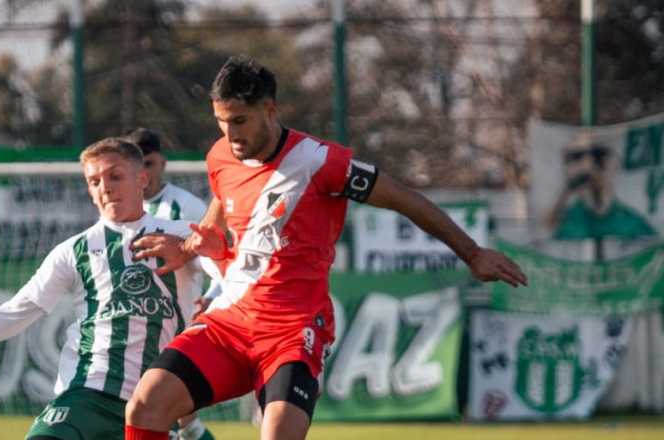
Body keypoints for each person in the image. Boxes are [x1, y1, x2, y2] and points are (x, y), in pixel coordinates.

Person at [123, 55, 529, 440]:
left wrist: (472, 253)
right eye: (221, 121)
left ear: (270, 109)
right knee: (145, 405)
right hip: (230, 322)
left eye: (239, 120)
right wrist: (193, 245)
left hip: (291, 330)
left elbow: (404, 198)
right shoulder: (221, 156)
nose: (230, 134)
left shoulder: (321, 162)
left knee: (278, 432)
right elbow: (221, 202)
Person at [0, 138, 215, 440]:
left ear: (142, 180)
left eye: (115, 176)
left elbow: (234, 275)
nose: (105, 188)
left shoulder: (181, 236)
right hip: (87, 394)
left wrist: (209, 294)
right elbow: (16, 312)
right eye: (94, 181)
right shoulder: (74, 251)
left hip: (156, 404)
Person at [125, 127, 216, 440]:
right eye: (137, 166)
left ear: (162, 163)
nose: (144, 173)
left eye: (148, 164)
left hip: (177, 323)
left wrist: (214, 296)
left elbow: (217, 255)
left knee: (170, 418)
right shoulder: (120, 209)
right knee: (168, 420)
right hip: (135, 325)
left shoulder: (186, 206)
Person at [126, 127, 208, 222]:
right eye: (135, 166)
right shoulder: (116, 209)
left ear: (162, 164)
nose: (142, 173)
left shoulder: (188, 206)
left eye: (148, 164)